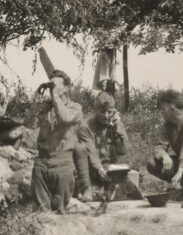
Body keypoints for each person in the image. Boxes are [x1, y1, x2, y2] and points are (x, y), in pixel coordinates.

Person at [31, 70, 83, 214]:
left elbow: (65, 118)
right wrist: (35, 102)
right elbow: (28, 124)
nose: (52, 89)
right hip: (42, 161)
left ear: (66, 88)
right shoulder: (45, 107)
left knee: (60, 209)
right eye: (51, 86)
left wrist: (55, 98)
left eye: (56, 85)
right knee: (42, 212)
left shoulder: (75, 107)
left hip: (63, 162)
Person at [74, 92, 142, 202]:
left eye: (109, 112)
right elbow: (91, 152)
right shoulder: (85, 127)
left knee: (133, 192)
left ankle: (101, 191)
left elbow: (123, 150)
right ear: (95, 111)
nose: (106, 115)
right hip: (90, 169)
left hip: (108, 170)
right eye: (102, 112)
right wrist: (99, 169)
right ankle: (87, 188)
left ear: (114, 112)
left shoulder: (115, 126)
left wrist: (118, 127)